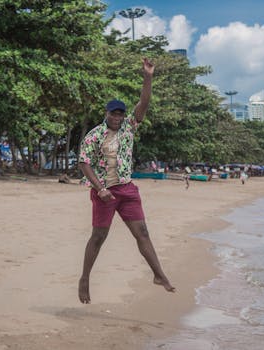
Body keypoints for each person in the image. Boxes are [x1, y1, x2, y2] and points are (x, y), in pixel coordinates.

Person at [77, 58, 175, 304]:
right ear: (106, 113)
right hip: (104, 192)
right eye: (114, 113)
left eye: (121, 114)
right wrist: (99, 190)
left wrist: (148, 76)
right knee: (99, 237)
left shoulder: (129, 128)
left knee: (142, 232)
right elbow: (83, 163)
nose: (118, 117)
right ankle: (85, 278)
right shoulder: (94, 135)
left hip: (127, 189)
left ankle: (159, 275)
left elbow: (144, 103)